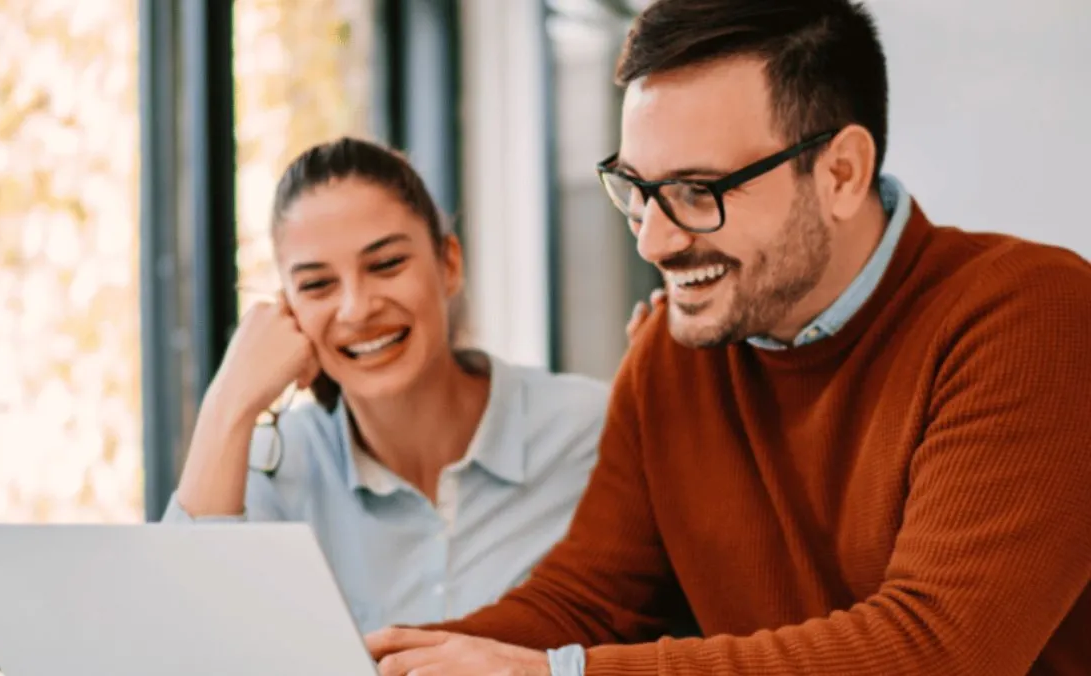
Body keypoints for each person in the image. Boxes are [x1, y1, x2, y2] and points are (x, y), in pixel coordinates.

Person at [365, 1, 1091, 674]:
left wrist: (564, 673)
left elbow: (939, 650)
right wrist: (395, 660)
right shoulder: (674, 352)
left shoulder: (1032, 315)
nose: (653, 241)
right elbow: (586, 603)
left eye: (696, 192)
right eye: (636, 189)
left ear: (841, 172)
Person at [163, 137, 616, 634]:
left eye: (386, 265)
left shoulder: (592, 432)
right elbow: (180, 640)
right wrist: (228, 403)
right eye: (317, 285)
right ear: (288, 307)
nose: (357, 308)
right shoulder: (276, 466)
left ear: (449, 264)